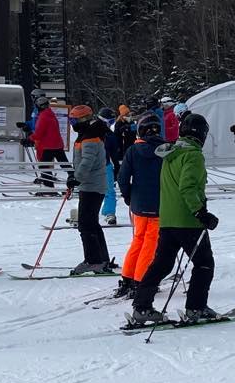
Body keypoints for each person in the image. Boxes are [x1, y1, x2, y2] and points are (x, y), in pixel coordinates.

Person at [128, 111, 219, 326]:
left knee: (162, 264)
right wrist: (200, 212)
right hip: (187, 220)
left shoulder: (170, 152)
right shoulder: (193, 154)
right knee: (204, 263)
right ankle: (195, 307)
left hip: (167, 220)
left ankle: (142, 307)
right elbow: (187, 186)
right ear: (202, 134)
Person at [115, 113, 164, 299]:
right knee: (150, 243)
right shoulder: (166, 150)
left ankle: (128, 277)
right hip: (159, 203)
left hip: (139, 203)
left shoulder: (133, 151)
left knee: (138, 240)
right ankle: (140, 280)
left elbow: (122, 177)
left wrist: (128, 197)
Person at [67, 106, 114, 274]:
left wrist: (77, 178)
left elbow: (88, 161)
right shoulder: (87, 134)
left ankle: (93, 260)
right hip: (90, 185)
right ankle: (102, 259)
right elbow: (82, 161)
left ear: (83, 120)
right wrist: (74, 175)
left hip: (92, 185)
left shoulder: (91, 136)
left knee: (85, 224)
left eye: (73, 121)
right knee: (91, 223)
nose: (72, 124)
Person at [31, 94, 67, 189]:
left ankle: (49, 188)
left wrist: (28, 139)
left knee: (44, 167)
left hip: (47, 147)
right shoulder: (51, 114)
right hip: (58, 145)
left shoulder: (43, 116)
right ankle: (77, 182)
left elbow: (39, 133)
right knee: (66, 165)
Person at [98, 107, 121, 226]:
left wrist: (117, 166)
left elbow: (114, 152)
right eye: (110, 121)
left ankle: (109, 212)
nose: (111, 124)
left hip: (106, 165)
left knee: (109, 190)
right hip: (92, 167)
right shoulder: (91, 131)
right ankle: (86, 211)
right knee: (90, 190)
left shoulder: (110, 135)